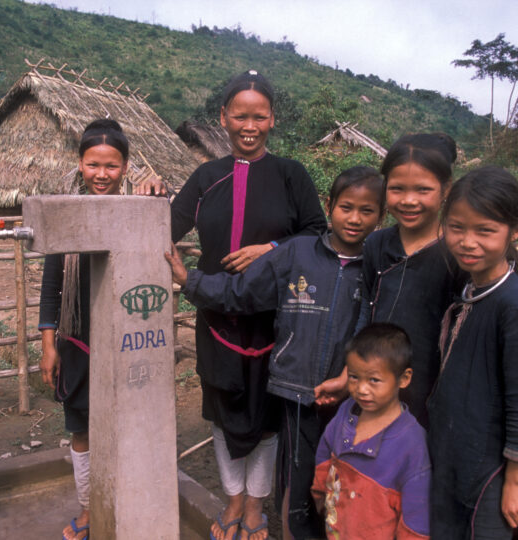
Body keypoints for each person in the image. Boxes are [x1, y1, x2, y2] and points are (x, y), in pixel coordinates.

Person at [167, 166, 384, 539]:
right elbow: (241, 292)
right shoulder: (297, 253)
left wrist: (354, 378)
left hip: (352, 396)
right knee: (297, 487)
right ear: (329, 205)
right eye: (346, 207)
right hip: (296, 391)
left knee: (345, 482)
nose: (355, 218)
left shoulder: (378, 266)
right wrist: (190, 280)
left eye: (367, 211)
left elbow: (374, 328)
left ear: (382, 216)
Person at [170, 70, 327, 540]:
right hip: (216, 316)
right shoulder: (205, 177)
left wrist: (272, 250)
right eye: (240, 115)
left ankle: (255, 507)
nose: (249, 125)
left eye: (259, 116)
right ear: (223, 117)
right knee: (222, 409)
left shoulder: (290, 175)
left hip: (275, 321)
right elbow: (165, 230)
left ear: (272, 119)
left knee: (266, 416)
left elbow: (318, 234)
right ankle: (233, 499)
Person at [39, 119, 158, 540]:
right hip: (77, 341)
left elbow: (165, 229)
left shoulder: (138, 211)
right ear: (80, 164)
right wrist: (48, 344)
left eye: (111, 165)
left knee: (127, 424)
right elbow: (51, 286)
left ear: (126, 167)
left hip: (125, 340)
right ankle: (90, 507)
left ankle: (124, 501)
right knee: (81, 428)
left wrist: (156, 193)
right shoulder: (64, 216)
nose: (102, 174)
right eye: (93, 165)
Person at [429, 166, 518, 539]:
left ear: (515, 231)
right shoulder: (470, 290)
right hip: (457, 455)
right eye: (457, 227)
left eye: (485, 230)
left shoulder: (513, 306)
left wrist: (515, 481)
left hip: (492, 473)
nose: (468, 241)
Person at [356, 132, 465, 428]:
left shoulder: (457, 255)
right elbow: (366, 310)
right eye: (397, 189)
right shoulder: (376, 245)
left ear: (445, 190)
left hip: (430, 397)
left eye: (422, 189)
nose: (408, 200)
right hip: (375, 391)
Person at [311, 323, 431, 540]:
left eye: (374, 380)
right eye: (354, 377)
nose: (361, 389)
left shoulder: (412, 444)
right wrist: (320, 493)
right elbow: (325, 450)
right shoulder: (347, 411)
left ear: (404, 378)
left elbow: (417, 516)